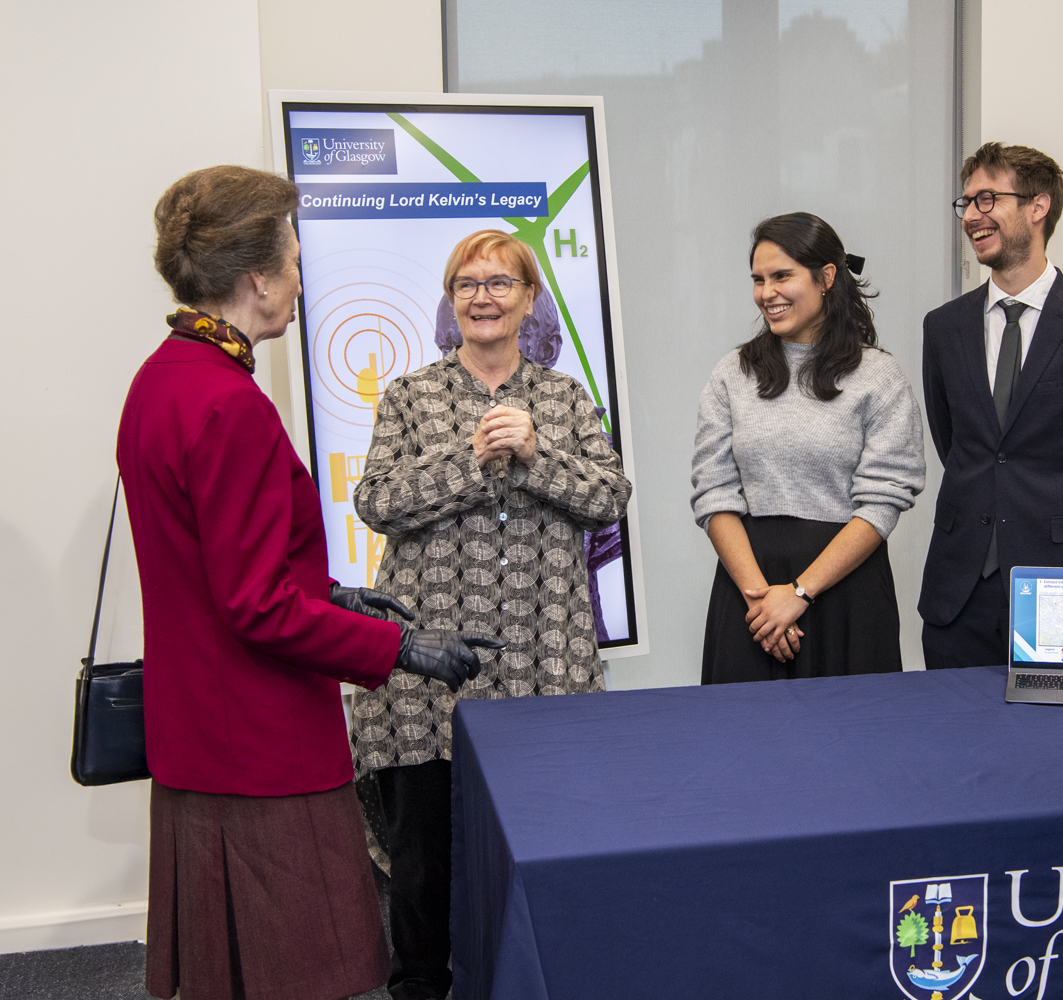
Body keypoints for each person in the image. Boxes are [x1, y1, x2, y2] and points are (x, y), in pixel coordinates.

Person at [120, 165, 499, 1000]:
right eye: (294, 259)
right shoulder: (228, 405)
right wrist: (399, 644)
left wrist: (337, 594)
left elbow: (216, 564)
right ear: (256, 277)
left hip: (198, 734)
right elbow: (254, 604)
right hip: (260, 746)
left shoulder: (163, 380)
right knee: (300, 974)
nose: (301, 278)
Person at [352, 228, 633, 1000]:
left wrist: (539, 453)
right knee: (424, 855)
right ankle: (420, 986)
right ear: (451, 301)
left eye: (499, 283)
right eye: (467, 284)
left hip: (545, 658)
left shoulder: (564, 398)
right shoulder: (409, 396)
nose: (482, 296)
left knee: (542, 841)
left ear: (529, 298)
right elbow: (375, 503)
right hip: (431, 668)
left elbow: (610, 499)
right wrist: (466, 461)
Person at [918, 142, 1063, 670]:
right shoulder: (944, 328)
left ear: (1038, 206)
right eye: (966, 204)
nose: (972, 216)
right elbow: (954, 442)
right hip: (960, 595)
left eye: (987, 199)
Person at [692, 212, 926, 683]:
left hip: (845, 594)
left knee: (851, 745)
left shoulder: (878, 377)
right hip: (749, 594)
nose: (767, 293)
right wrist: (763, 599)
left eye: (782, 276)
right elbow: (713, 492)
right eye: (758, 279)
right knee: (746, 745)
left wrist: (798, 594)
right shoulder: (732, 374)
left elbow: (883, 500)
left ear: (826, 278)